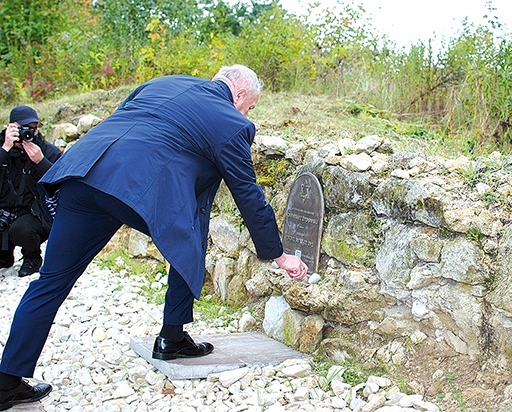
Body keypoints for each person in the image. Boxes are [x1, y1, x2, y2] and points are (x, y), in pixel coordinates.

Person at [0, 65, 308, 410]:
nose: (249, 113)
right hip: (132, 188)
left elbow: (129, 120)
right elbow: (248, 195)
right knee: (189, 236)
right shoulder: (233, 123)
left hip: (82, 174)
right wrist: (279, 255)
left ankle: (6, 381)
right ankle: (172, 336)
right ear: (239, 94)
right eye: (250, 106)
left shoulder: (166, 81)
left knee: (51, 281)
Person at [0, 106, 62, 277]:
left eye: (33, 128)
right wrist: (5, 149)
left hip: (32, 213)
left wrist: (40, 162)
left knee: (23, 230)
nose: (29, 133)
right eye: (23, 128)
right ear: (10, 127)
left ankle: (32, 256)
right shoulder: (2, 147)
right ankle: (4, 256)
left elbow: (61, 182)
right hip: (3, 210)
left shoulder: (46, 150)